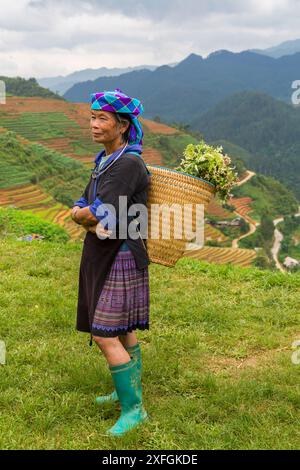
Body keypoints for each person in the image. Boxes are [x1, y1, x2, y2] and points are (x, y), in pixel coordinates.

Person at [71, 89, 150, 436]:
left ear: (122, 125)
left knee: (105, 335)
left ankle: (134, 409)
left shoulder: (129, 163)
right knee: (123, 328)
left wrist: (79, 215)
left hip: (120, 254)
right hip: (105, 250)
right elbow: (87, 199)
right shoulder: (105, 159)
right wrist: (82, 211)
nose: (94, 124)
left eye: (102, 118)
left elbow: (102, 211)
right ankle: (125, 394)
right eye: (92, 116)